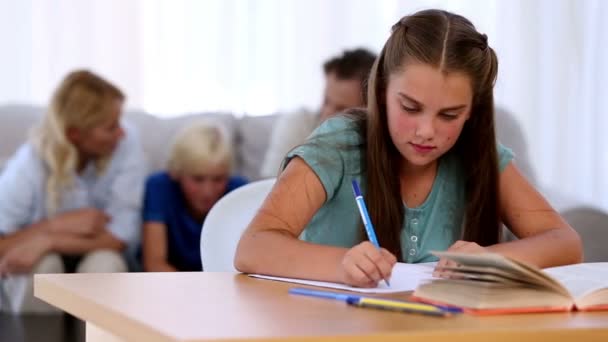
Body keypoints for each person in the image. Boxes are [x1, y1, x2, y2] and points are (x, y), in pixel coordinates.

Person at [235, 9, 583, 288]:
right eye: (410, 107)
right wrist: (340, 264)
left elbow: (565, 242)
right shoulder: (338, 144)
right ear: (382, 90)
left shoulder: (479, 153)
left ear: (472, 111)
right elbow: (253, 247)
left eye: (449, 114)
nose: (426, 131)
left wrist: (494, 260)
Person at [0, 70, 146, 313]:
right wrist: (54, 225)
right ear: (74, 134)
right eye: (110, 127)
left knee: (104, 264)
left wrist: (48, 239)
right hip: (40, 261)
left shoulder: (127, 144)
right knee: (44, 267)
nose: (121, 133)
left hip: (101, 253)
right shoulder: (29, 165)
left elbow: (119, 238)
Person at [142, 121, 247, 272]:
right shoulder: (159, 186)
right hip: (170, 287)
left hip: (220, 286)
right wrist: (195, 293)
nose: (208, 192)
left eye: (218, 179)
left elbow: (244, 265)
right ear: (177, 172)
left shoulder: (239, 191)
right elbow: (154, 264)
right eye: (198, 179)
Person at [260, 48, 377, 178]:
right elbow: (270, 185)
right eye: (326, 101)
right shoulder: (298, 124)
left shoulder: (377, 146)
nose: (326, 114)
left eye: (340, 108)